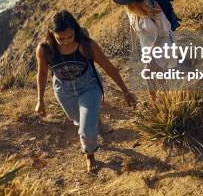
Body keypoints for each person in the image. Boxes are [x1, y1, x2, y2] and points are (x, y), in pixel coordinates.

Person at [35, 10, 137, 173]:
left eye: (70, 36)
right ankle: (93, 123)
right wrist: (40, 99)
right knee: (78, 120)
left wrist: (126, 91)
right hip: (63, 90)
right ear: (51, 34)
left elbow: (108, 66)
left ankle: (90, 155)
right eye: (60, 38)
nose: (66, 42)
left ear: (75, 30)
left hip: (88, 85)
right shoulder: (45, 50)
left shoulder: (86, 45)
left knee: (85, 129)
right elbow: (42, 73)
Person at [111, 0, 177, 101]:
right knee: (158, 74)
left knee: (147, 73)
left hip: (163, 43)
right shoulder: (130, 9)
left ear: (134, 1)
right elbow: (133, 26)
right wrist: (134, 46)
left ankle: (155, 102)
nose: (124, 4)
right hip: (147, 46)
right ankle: (168, 99)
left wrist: (153, 49)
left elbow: (164, 31)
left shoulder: (154, 8)